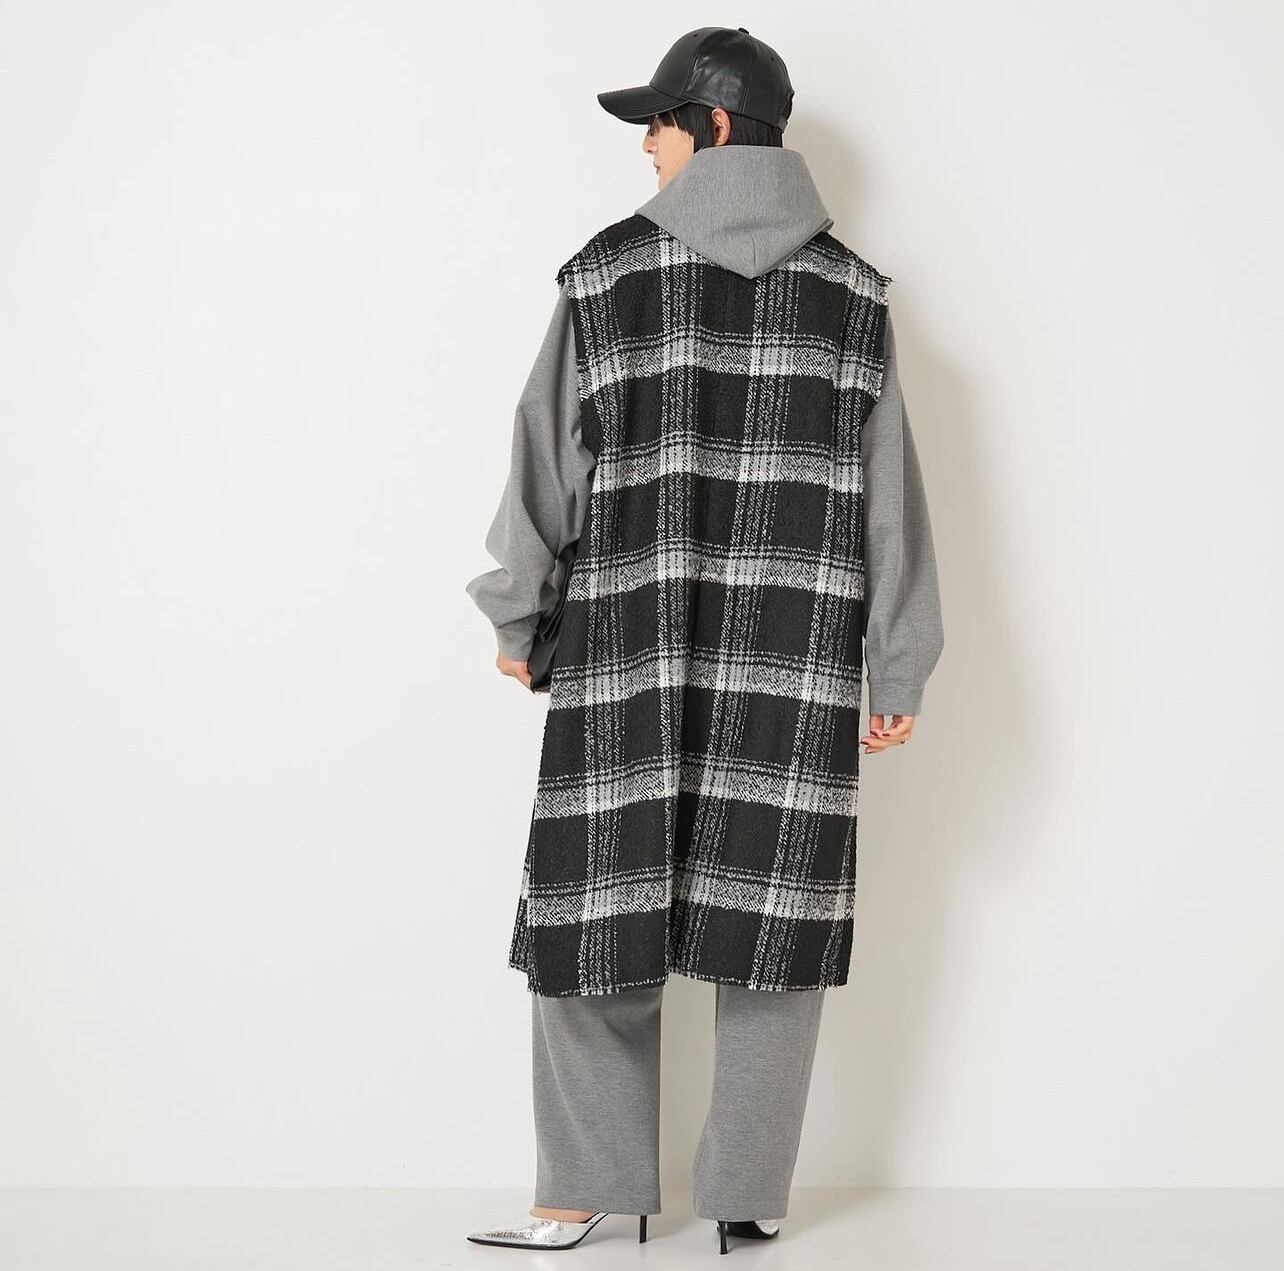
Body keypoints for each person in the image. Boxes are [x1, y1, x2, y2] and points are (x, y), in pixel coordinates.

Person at [462, 26, 944, 1253]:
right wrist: (896, 659)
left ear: (715, 127)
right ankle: (744, 1197)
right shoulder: (853, 296)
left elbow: (545, 455)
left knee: (593, 903)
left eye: (660, 124)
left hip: (627, 641)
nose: (646, 145)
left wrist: (520, 606)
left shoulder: (607, 275)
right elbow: (891, 498)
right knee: (768, 914)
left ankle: (579, 1191)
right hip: (793, 652)